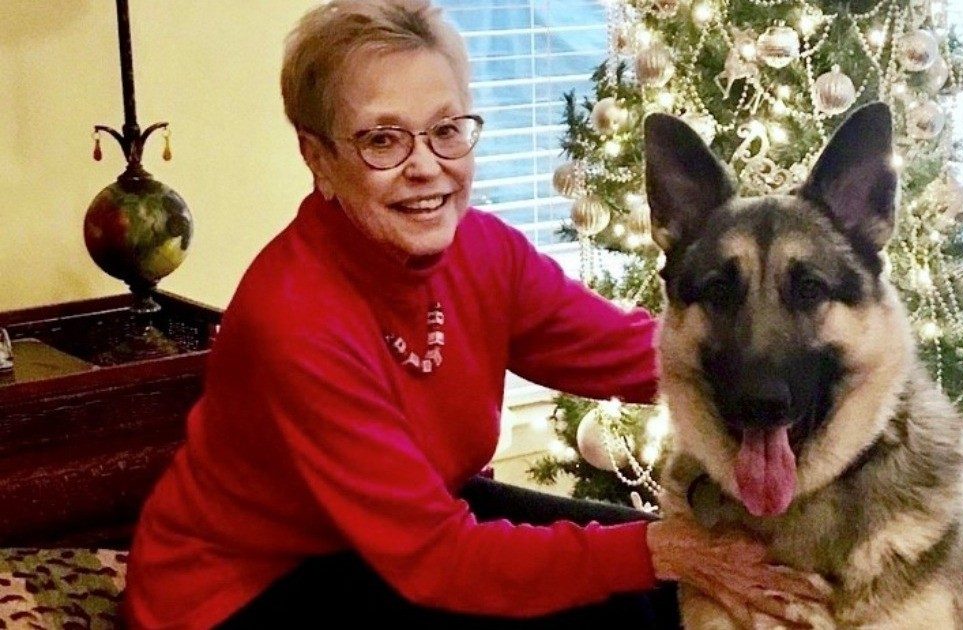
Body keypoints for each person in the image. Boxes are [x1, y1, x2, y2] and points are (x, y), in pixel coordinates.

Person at [122, 1, 826, 628]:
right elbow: (438, 561)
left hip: (406, 533)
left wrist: (781, 368)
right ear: (319, 157)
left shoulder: (483, 251)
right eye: (382, 139)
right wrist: (659, 549)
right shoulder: (296, 319)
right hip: (247, 589)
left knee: (654, 595)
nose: (427, 166)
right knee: (645, 567)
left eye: (446, 130)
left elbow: (636, 354)